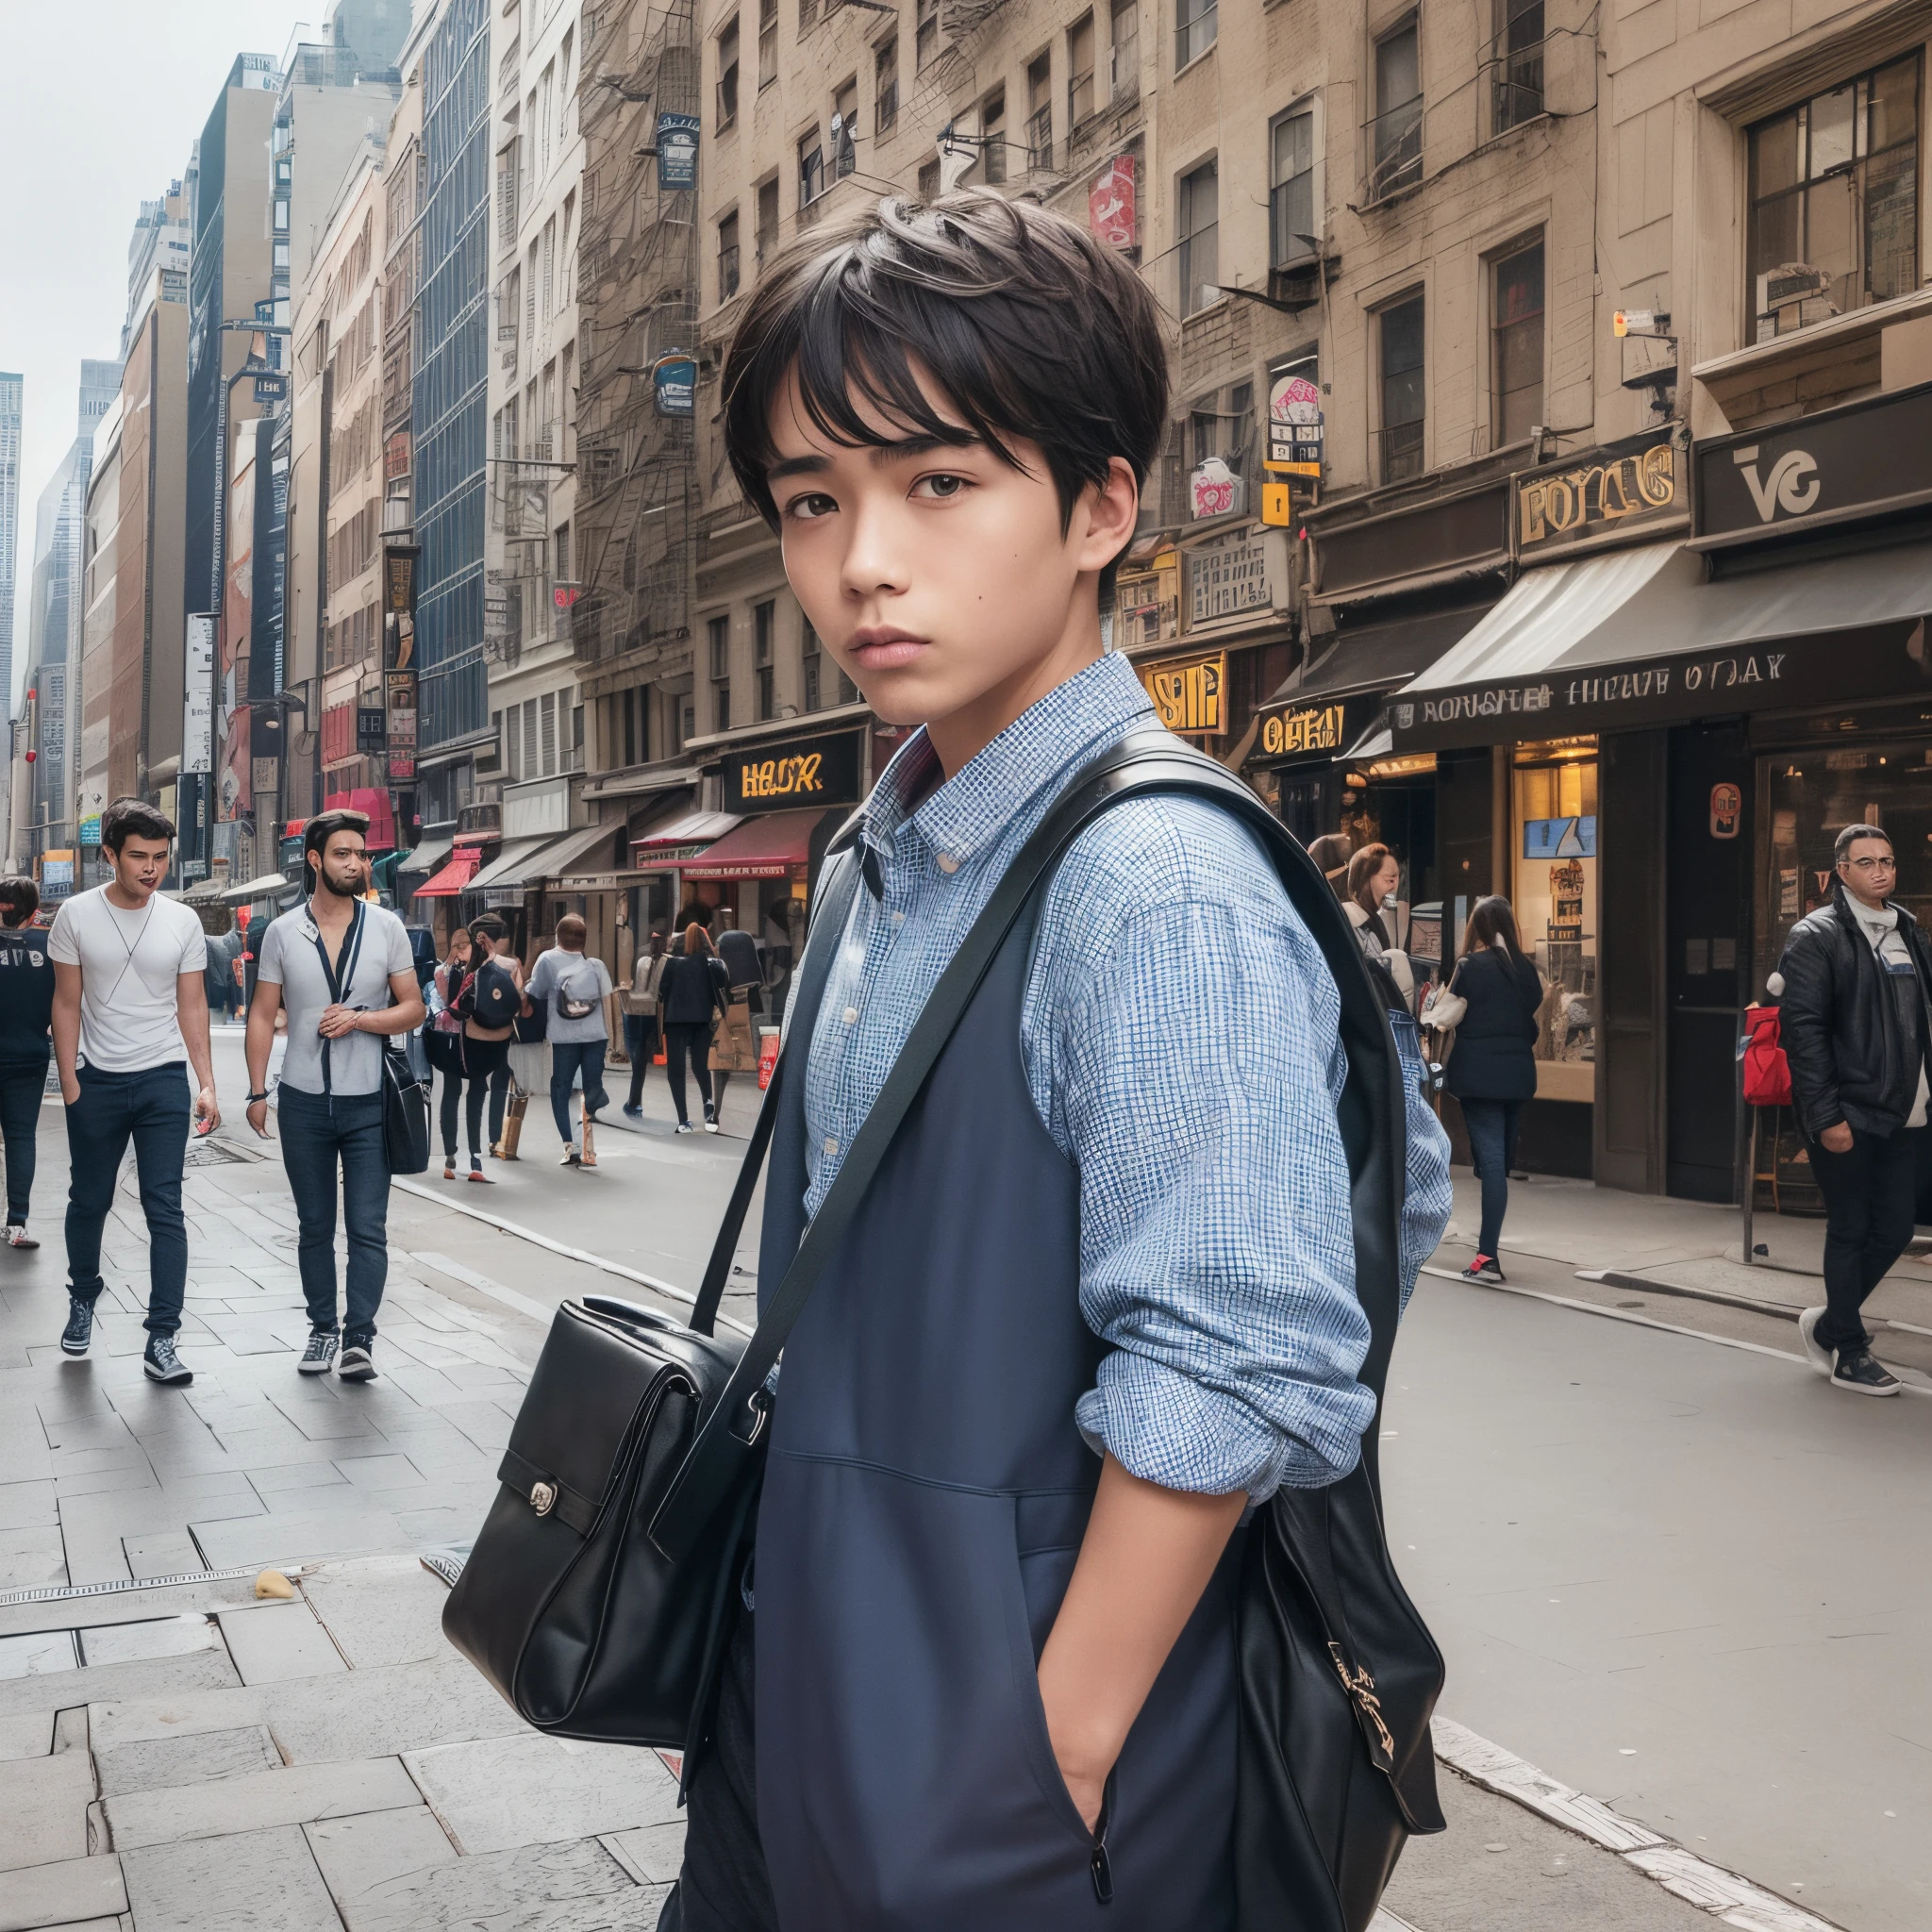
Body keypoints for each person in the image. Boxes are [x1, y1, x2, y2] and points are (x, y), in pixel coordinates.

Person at [657, 190, 1453, 1932]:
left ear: (1100, 505)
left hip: (1008, 1770)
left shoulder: (1149, 876)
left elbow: (1245, 1353)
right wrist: (763, 1647)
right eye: (812, 499)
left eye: (938, 482)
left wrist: (1052, 1746)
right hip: (809, 1691)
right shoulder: (888, 842)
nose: (862, 557)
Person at [242, 810, 424, 1380]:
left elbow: (414, 1007)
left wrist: (362, 1020)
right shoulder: (280, 932)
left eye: (361, 855)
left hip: (369, 1100)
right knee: (315, 1225)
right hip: (301, 1100)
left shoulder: (387, 926)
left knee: (368, 1226)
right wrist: (255, 1090)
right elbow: (262, 1013)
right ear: (316, 860)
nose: (356, 864)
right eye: (343, 854)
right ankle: (323, 1330)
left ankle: (359, 1338)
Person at [48, 798, 216, 1385]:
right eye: (139, 857)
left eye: (161, 858)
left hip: (163, 1077)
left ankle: (162, 1337)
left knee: (164, 1204)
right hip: (96, 1079)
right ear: (110, 856)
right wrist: (69, 1082)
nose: (151, 869)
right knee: (89, 1200)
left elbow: (190, 1003)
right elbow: (66, 1002)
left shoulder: (182, 921)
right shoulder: (73, 915)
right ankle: (83, 1297)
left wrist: (206, 1083)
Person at [1778, 822, 1929, 1397]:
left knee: (1892, 1228)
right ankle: (1850, 1351)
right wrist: (1825, 1116)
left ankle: (1831, 1323)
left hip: (1900, 1112)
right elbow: (1805, 1032)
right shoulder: (1816, 936)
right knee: (1850, 1227)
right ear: (1841, 871)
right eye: (1866, 862)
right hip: (1845, 1112)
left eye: (1887, 860)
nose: (1881, 870)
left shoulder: (1907, 930)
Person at [1441, 896, 1542, 1287]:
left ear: (1477, 930)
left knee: (1493, 1166)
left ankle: (1487, 1256)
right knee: (1498, 1162)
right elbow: (1530, 1013)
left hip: (1478, 1080)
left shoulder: (1469, 966)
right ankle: (1488, 1250)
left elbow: (1445, 1016)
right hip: (1517, 1077)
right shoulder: (1527, 970)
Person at [526, 912, 617, 1166]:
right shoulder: (596, 965)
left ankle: (571, 1144)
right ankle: (592, 1109)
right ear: (584, 941)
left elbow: (537, 991)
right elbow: (609, 1000)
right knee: (589, 1087)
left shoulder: (547, 960)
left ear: (558, 937)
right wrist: (612, 1039)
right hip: (596, 1036)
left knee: (560, 1088)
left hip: (564, 1037)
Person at [0, 876, 53, 1249]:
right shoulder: (50, 946)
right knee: (20, 1138)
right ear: (35, 912)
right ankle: (16, 1224)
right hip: (29, 1056)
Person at [455, 912, 522, 1182]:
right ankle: (496, 1140)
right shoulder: (512, 964)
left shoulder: (470, 968)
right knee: (500, 1086)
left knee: (475, 1090)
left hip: (474, 1035)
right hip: (504, 1034)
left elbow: (458, 1004)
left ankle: (474, 1151)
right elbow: (519, 999)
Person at [658, 923, 727, 1135]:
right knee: (700, 1064)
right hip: (702, 1019)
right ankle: (708, 1102)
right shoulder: (712, 964)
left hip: (675, 1020)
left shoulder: (671, 965)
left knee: (676, 1070)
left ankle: (683, 1120)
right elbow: (723, 984)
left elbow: (662, 992)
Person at [1344, 842, 1415, 1013]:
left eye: (1397, 879)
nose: (1394, 887)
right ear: (1366, 878)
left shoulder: (1371, 919)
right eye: (1389, 880)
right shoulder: (1354, 922)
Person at [427, 926, 474, 1179]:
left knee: (452, 1092)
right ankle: (463, 1152)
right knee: (464, 1091)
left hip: (450, 1035)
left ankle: (451, 1153)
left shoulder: (441, 971)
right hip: (466, 1035)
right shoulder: (467, 970)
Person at [709, 922, 765, 1113]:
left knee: (720, 1067)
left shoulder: (719, 973)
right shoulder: (754, 983)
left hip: (726, 1028)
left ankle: (716, 1111)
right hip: (753, 1026)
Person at [623, 927, 670, 1116]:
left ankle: (635, 1102)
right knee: (641, 1058)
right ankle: (635, 1102)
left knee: (639, 1060)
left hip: (639, 1013)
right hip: (654, 1014)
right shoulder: (666, 961)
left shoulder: (643, 957)